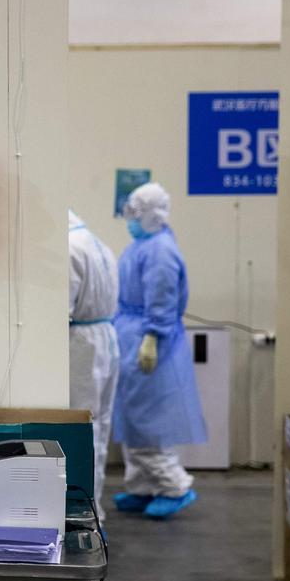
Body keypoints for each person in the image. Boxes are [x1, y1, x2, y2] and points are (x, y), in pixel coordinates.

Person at [111, 184, 207, 519]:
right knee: (133, 416)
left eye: (135, 214)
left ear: (151, 214)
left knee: (149, 420)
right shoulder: (143, 245)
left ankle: (175, 486)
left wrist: (152, 335)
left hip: (149, 340)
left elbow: (162, 298)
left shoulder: (160, 250)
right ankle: (142, 486)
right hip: (131, 336)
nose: (130, 220)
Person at [68, 209, 120, 506]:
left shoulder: (70, 248)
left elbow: (62, 308)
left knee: (80, 428)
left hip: (82, 347)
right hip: (106, 338)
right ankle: (94, 505)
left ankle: (83, 508)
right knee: (98, 426)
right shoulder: (97, 243)